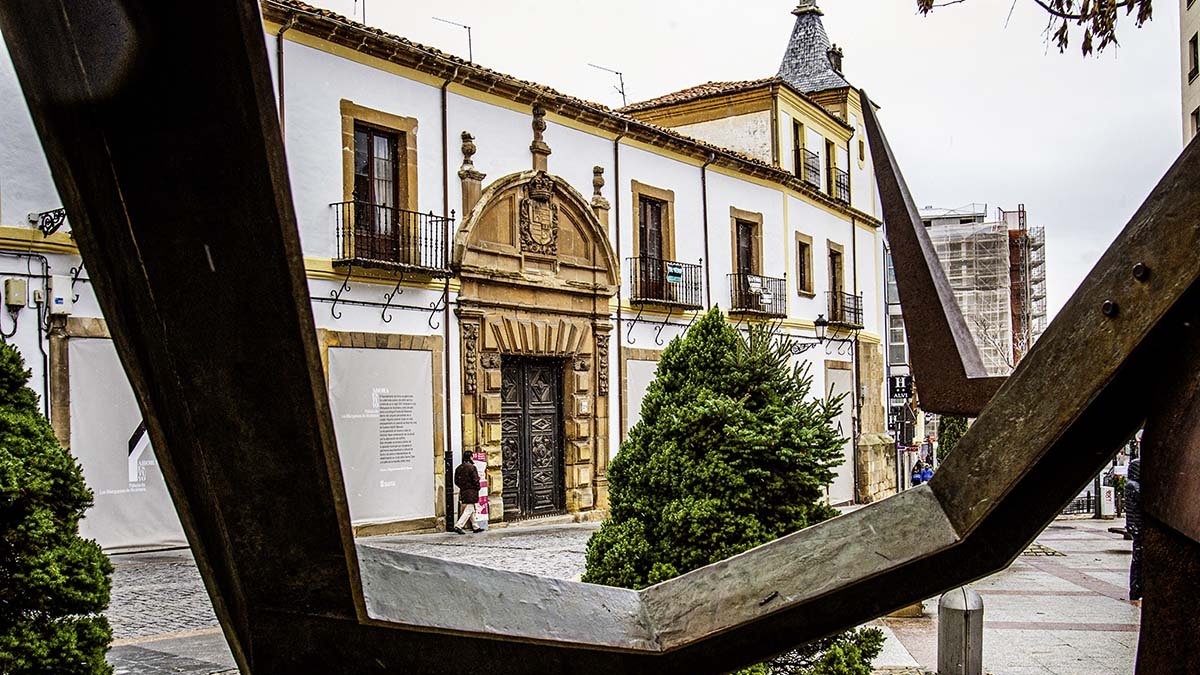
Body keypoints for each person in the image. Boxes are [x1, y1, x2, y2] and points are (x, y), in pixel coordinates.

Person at [453, 450, 484, 535]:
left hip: (463, 490)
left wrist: (463, 487)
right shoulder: (472, 467)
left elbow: (456, 481)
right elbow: (475, 479)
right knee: (469, 509)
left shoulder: (459, 468)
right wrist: (477, 487)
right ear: (470, 457)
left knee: (471, 509)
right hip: (471, 490)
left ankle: (475, 526)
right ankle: (459, 525)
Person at [1125, 457, 1142, 604]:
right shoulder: (1134, 486)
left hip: (1135, 526)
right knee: (1138, 559)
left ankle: (1136, 588)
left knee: (1138, 557)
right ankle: (1135, 589)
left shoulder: (1131, 484)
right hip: (1138, 527)